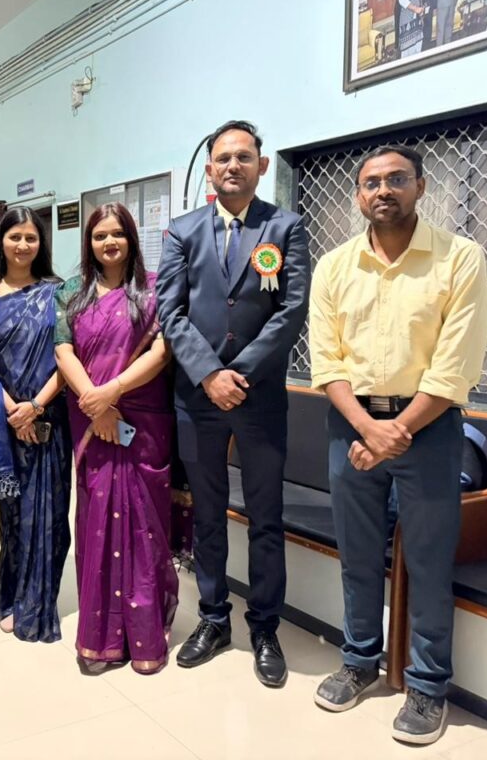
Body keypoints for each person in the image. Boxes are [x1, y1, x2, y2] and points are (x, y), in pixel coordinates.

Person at [309, 145, 487, 746]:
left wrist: (391, 434)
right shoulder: (334, 266)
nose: (383, 190)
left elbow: (454, 363)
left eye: (396, 179)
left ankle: (428, 686)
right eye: (370, 183)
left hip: (429, 429)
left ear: (421, 186)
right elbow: (327, 360)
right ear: (358, 195)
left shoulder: (460, 257)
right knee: (358, 556)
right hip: (352, 426)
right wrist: (367, 428)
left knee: (429, 562)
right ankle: (359, 661)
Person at [156, 120, 310, 687]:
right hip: (197, 399)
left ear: (261, 166)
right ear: (209, 169)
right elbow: (170, 311)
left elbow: (292, 310)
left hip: (259, 397)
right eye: (223, 158)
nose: (232, 166)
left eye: (244, 157)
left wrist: (237, 375)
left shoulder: (285, 227)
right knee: (208, 514)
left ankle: (265, 627)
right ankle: (214, 618)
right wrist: (208, 374)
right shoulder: (182, 231)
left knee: (266, 517)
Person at [55, 203, 178, 675]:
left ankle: (145, 635)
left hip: (141, 422)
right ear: (88, 243)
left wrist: (113, 392)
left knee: (145, 528)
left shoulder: (153, 292)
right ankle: (100, 637)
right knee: (97, 524)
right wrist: (95, 401)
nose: (109, 242)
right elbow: (62, 351)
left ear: (131, 238)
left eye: (117, 234)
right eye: (99, 235)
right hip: (92, 421)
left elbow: (163, 351)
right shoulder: (71, 293)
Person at [0, 206, 71, 643]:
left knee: (51, 515)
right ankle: (10, 598)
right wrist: (13, 408)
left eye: (31, 237)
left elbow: (70, 356)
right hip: (4, 420)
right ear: (1, 242)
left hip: (50, 418)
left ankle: (40, 601)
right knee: (13, 517)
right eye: (15, 237)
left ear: (41, 243)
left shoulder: (59, 292)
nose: (23, 245)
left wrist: (36, 406)